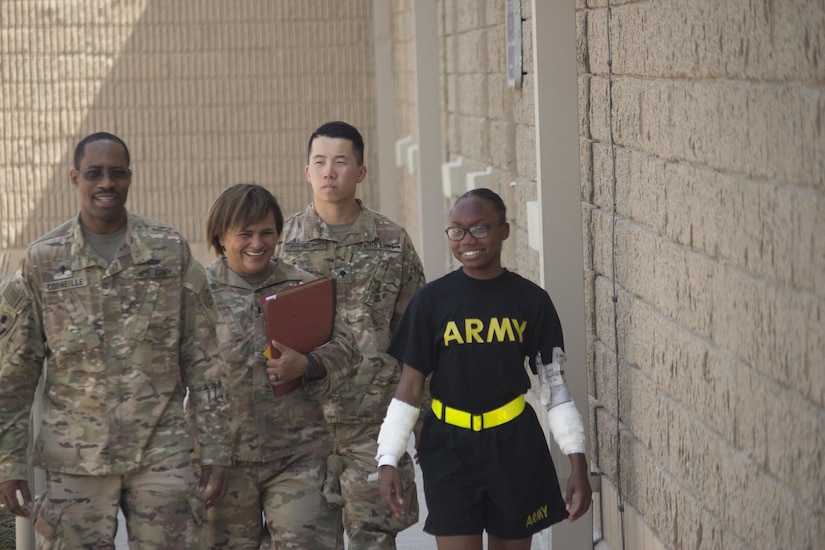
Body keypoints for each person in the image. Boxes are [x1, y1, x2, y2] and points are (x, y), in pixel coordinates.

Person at [0, 132, 232, 548]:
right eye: (94, 173)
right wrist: (8, 461)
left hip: (161, 453)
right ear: (75, 179)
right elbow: (16, 374)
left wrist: (215, 447)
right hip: (75, 460)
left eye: (117, 173)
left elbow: (204, 359)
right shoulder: (43, 261)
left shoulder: (168, 250)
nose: (106, 182)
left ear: (129, 178)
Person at [377, 188, 593, 550]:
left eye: (480, 228)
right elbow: (410, 387)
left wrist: (577, 460)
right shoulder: (431, 301)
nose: (467, 240)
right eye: (457, 230)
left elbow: (554, 387)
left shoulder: (531, 300)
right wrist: (387, 457)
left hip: (515, 445)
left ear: (504, 231)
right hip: (448, 447)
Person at [277, 121, 426, 549]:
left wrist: (423, 413)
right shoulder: (282, 243)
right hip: (300, 428)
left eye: (340, 162)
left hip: (374, 426)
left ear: (361, 172)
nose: (329, 172)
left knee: (375, 539)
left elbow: (415, 334)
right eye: (320, 162)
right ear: (307, 172)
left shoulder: (392, 242)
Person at [202, 183, 362, 548]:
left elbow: (348, 349)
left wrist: (308, 363)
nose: (257, 244)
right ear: (221, 236)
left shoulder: (302, 287)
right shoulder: (198, 294)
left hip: (298, 455)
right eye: (245, 234)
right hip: (226, 461)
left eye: (266, 233)